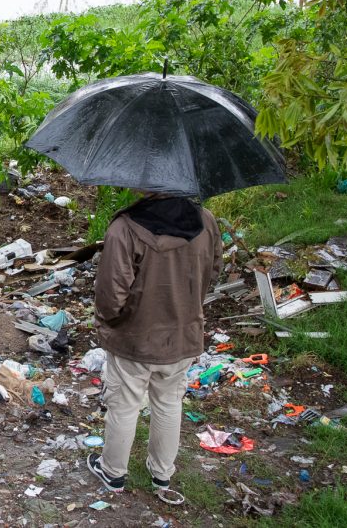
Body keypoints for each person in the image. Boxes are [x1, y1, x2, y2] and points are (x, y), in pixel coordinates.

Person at [86, 191, 222, 503]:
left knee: (124, 405)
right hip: (183, 335)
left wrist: (112, 323)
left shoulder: (124, 228)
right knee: (170, 402)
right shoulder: (205, 220)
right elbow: (213, 271)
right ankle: (162, 474)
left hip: (135, 338)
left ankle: (113, 472)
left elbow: (110, 295)